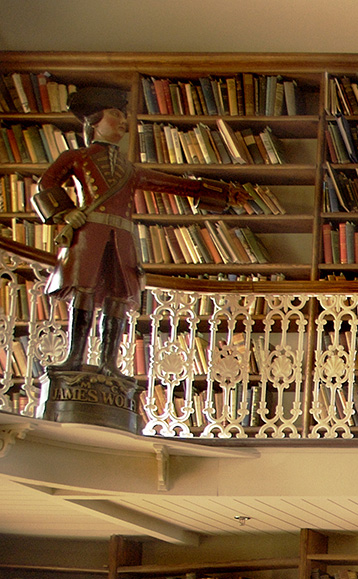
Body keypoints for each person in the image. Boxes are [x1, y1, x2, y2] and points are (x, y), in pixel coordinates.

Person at [33, 83, 248, 373]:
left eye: (123, 115)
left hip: (121, 238)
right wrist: (67, 212)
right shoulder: (76, 158)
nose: (124, 121)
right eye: (115, 114)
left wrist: (222, 194)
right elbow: (46, 184)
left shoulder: (128, 169)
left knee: (119, 297)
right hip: (89, 235)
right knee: (82, 291)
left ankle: (108, 362)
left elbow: (174, 184)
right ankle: (75, 358)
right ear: (93, 121)